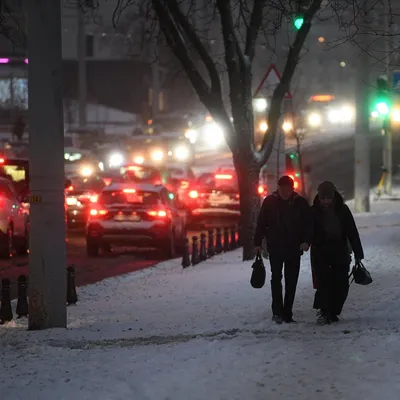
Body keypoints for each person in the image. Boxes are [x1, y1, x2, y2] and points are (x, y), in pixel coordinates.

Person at [254, 175, 312, 324]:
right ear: (278, 188)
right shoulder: (270, 202)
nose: (285, 192)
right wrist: (257, 243)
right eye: (283, 189)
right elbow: (261, 222)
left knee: (291, 281)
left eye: (288, 189)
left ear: (292, 189)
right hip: (276, 247)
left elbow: (308, 224)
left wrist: (306, 241)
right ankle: (278, 311)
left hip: (293, 247)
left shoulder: (300, 203)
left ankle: (287, 312)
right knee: (276, 279)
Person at [311, 181, 364, 325]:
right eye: (323, 198)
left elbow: (352, 232)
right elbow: (306, 231)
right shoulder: (313, 211)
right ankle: (324, 310)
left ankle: (333, 311)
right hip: (320, 252)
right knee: (324, 282)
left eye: (328, 198)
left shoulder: (343, 210)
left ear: (333, 197)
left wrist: (358, 252)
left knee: (341, 283)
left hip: (340, 251)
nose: (325, 201)